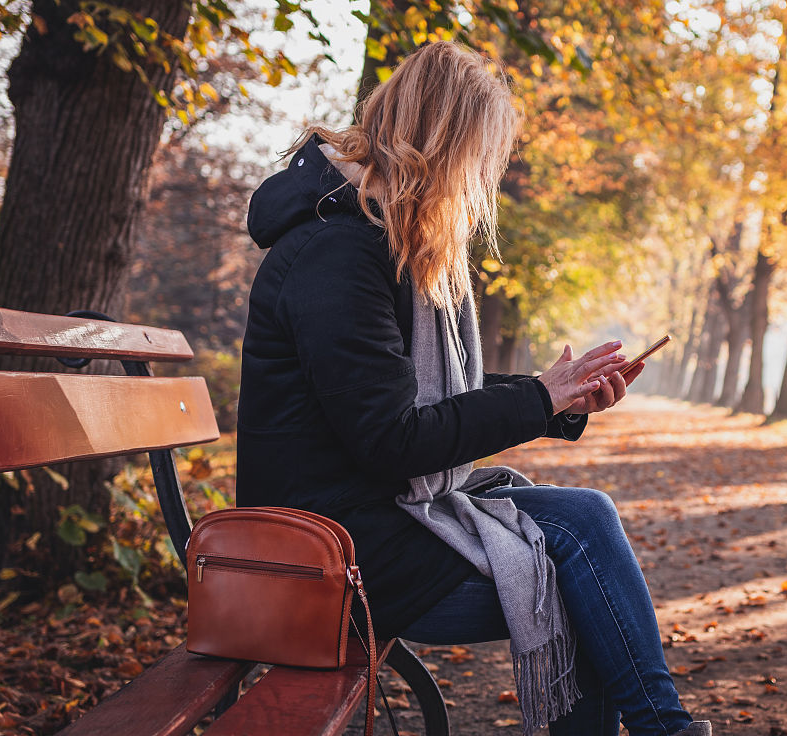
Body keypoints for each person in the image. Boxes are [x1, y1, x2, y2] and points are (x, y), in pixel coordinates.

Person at [236, 40, 711, 736]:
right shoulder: (335, 253)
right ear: (441, 146)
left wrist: (561, 399)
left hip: (377, 516)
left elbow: (412, 394)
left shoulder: (374, 237)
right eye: (479, 159)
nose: (479, 181)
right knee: (581, 564)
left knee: (585, 529)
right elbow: (395, 439)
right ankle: (665, 729)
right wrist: (540, 397)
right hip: (326, 550)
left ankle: (664, 728)